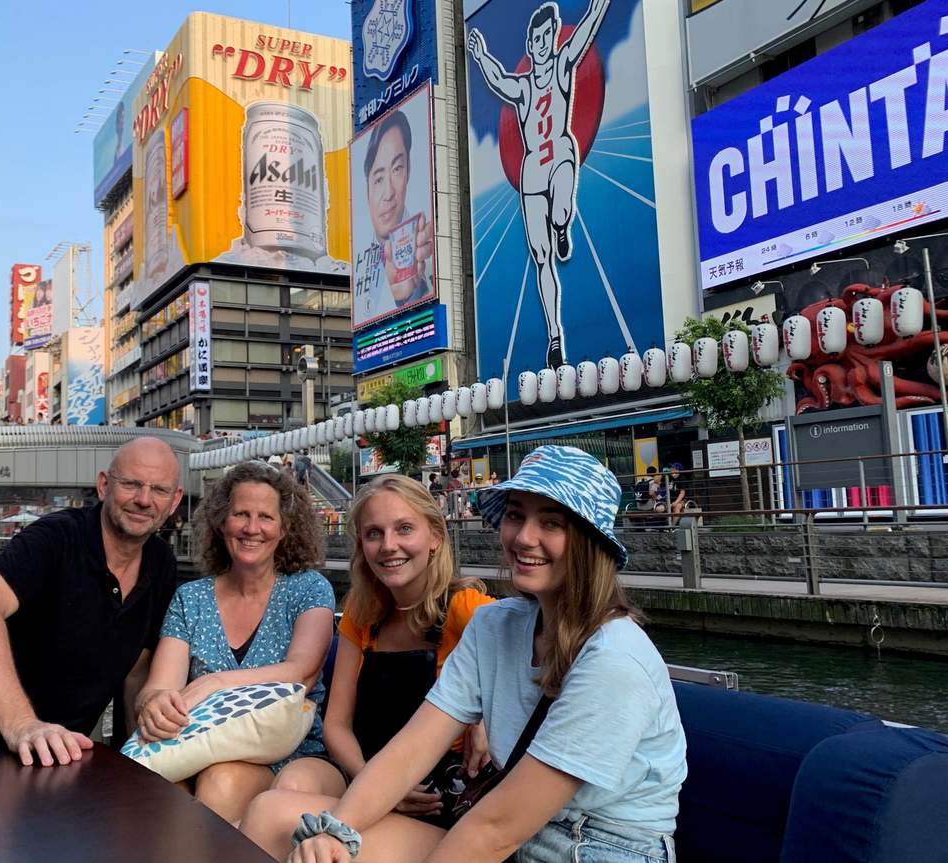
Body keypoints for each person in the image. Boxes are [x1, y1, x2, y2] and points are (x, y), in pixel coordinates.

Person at [250, 445, 686, 863]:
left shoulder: (615, 659)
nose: (525, 538)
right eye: (516, 516)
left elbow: (496, 828)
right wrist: (334, 832)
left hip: (592, 847)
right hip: (507, 831)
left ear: (591, 541)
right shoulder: (494, 626)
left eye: (552, 523)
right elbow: (412, 749)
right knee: (275, 820)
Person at [0, 436, 185, 766]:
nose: (144, 499)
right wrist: (22, 726)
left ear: (174, 501)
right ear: (104, 486)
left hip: (56, 751)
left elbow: (136, 673)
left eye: (158, 490)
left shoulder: (161, 564)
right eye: (131, 484)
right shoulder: (55, 538)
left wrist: (140, 765)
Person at [254, 475, 493, 815]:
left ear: (436, 537)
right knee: (290, 784)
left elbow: (536, 668)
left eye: (405, 529)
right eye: (374, 533)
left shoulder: (466, 609)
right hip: (362, 767)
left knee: (271, 814)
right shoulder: (361, 612)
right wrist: (375, 785)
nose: (388, 545)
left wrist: (484, 720)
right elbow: (336, 725)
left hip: (432, 794)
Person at [134, 460, 333, 824]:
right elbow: (160, 685)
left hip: (288, 751)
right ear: (222, 522)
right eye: (241, 514)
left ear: (285, 528)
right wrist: (154, 704)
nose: (252, 528)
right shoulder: (190, 599)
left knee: (221, 781)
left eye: (265, 517)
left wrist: (213, 683)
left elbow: (300, 672)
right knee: (158, 789)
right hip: (197, 747)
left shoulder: (308, 589)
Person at [468, 0, 610, 368]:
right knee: (541, 256)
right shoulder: (524, 88)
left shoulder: (564, 67)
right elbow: (498, 80)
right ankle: (554, 337)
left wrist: (598, 7)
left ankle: (563, 225)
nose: (543, 43)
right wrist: (482, 56)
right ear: (530, 45)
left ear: (551, 38)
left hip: (560, 151)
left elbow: (585, 33)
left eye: (548, 36)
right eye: (537, 38)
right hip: (533, 168)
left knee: (561, 207)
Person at [352, 108, 434, 325]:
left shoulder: (427, 245)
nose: (388, 193)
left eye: (397, 169)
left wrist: (412, 296)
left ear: (408, 172)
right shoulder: (360, 263)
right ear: (366, 190)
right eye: (378, 179)